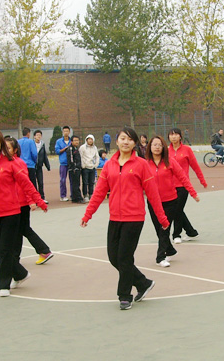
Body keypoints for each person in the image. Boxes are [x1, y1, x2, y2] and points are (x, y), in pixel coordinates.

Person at [80, 127, 168, 311]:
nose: (125, 142)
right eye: (122, 138)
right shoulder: (109, 165)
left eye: (129, 139)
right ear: (117, 141)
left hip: (134, 218)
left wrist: (162, 218)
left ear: (135, 143)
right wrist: (88, 214)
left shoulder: (141, 164)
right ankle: (143, 283)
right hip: (115, 217)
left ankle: (124, 296)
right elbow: (99, 192)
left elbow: (152, 194)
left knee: (124, 257)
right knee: (114, 257)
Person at [0, 130, 47, 297]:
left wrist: (38, 200)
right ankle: (20, 273)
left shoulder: (11, 163)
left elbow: (26, 184)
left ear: (1, 146)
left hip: (11, 213)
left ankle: (3, 284)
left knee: (6, 250)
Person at [145, 136, 199, 267]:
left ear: (163, 147)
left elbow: (183, 177)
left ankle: (160, 257)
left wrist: (193, 193)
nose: (157, 147)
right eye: (154, 144)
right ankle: (170, 249)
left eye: (159, 144)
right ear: (150, 147)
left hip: (170, 201)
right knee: (159, 229)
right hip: (153, 202)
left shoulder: (170, 161)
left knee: (164, 229)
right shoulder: (145, 164)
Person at [5, 137, 53, 266]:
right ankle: (39, 251)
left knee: (22, 230)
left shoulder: (18, 163)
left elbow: (26, 185)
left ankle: (43, 250)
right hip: (15, 203)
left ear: (15, 150)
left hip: (21, 203)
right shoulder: (7, 163)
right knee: (21, 230)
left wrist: (31, 200)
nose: (4, 151)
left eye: (8, 148)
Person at [168, 127, 208, 243]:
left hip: (183, 186)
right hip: (170, 187)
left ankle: (177, 235)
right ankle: (191, 232)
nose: (173, 137)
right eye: (171, 135)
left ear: (180, 136)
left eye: (176, 134)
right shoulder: (166, 151)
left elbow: (195, 166)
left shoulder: (187, 150)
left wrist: (202, 181)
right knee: (176, 210)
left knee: (177, 209)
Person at [80, 134, 99, 201]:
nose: (90, 141)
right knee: (85, 182)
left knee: (92, 182)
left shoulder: (95, 148)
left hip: (92, 167)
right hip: (85, 167)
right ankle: (85, 195)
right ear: (86, 140)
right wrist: (83, 165)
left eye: (91, 139)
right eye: (89, 139)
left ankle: (91, 194)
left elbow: (97, 156)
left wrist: (96, 165)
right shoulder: (83, 147)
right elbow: (81, 156)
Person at [33, 130, 50, 204]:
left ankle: (42, 197)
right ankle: (35, 199)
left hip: (39, 167)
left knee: (40, 182)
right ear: (34, 136)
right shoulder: (32, 144)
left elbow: (44, 156)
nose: (38, 137)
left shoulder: (42, 145)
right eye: (37, 135)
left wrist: (47, 165)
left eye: (40, 135)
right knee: (33, 183)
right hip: (33, 167)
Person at [55, 126, 71, 201]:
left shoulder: (72, 140)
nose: (66, 133)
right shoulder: (59, 141)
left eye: (67, 131)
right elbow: (57, 151)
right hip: (63, 163)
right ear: (62, 132)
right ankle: (63, 195)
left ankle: (72, 194)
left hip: (71, 163)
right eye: (64, 131)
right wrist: (65, 149)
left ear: (69, 132)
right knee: (63, 180)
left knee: (72, 180)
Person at [67, 135, 85, 204]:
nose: (77, 142)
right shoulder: (71, 149)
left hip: (77, 168)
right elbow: (71, 159)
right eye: (75, 140)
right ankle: (78, 197)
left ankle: (74, 198)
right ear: (71, 141)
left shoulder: (76, 149)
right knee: (75, 184)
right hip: (73, 169)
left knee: (77, 183)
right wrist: (73, 168)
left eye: (77, 140)